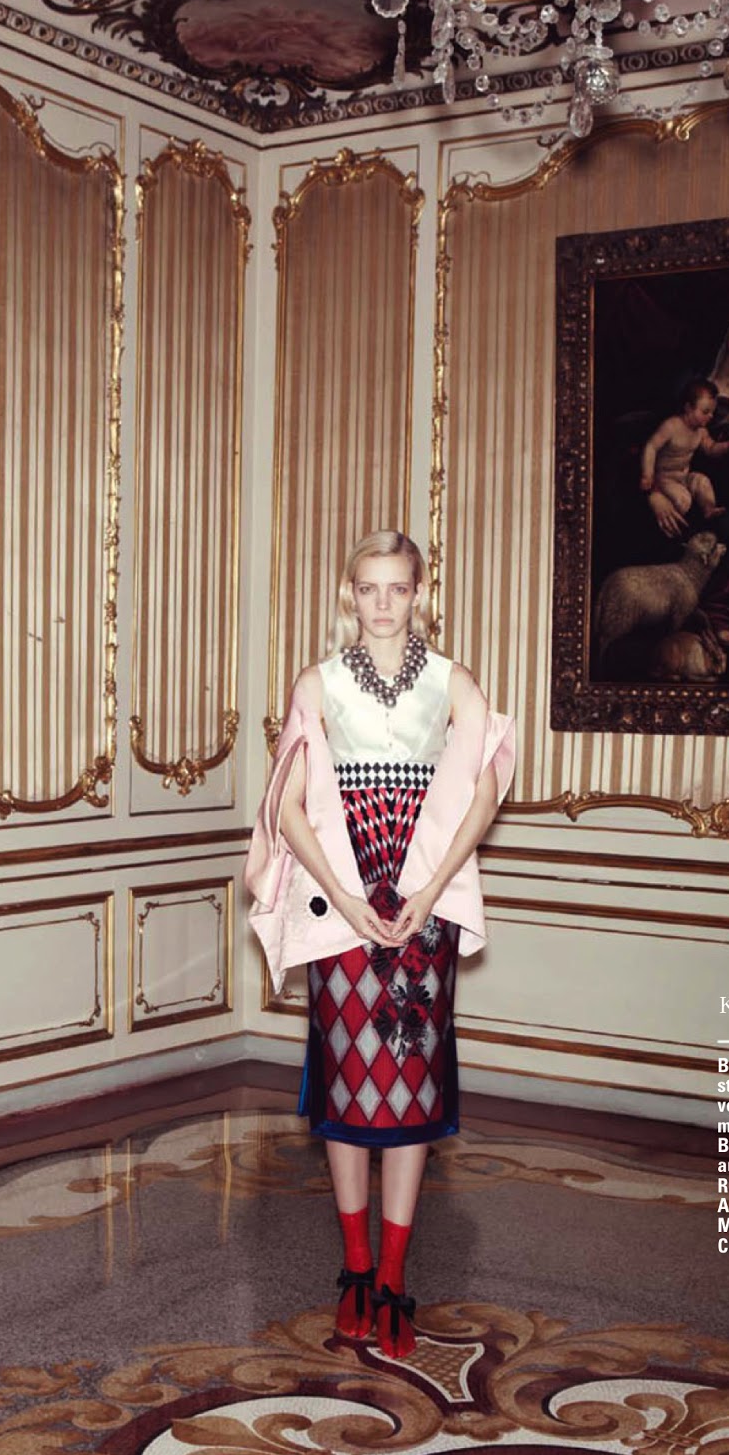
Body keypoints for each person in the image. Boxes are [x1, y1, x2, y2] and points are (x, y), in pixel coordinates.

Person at [244, 530, 514, 1359]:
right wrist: (348, 898)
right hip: (344, 908)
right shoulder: (318, 683)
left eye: (398, 587)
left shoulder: (452, 682)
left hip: (422, 907)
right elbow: (286, 806)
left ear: (419, 592)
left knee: (408, 1092)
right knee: (348, 1089)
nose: (383, 603)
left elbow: (486, 790)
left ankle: (394, 1278)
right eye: (369, 588)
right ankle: (355, 1272)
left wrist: (428, 895)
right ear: (348, 593)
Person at [639, 377, 729, 530]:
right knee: (683, 500)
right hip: (664, 479)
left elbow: (711, 448)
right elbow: (651, 447)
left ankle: (709, 510)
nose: (711, 416)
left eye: (712, 412)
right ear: (688, 408)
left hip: (684, 476)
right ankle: (669, 526)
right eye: (705, 411)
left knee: (702, 482)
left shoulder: (701, 431)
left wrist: (728, 446)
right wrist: (647, 475)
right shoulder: (672, 426)